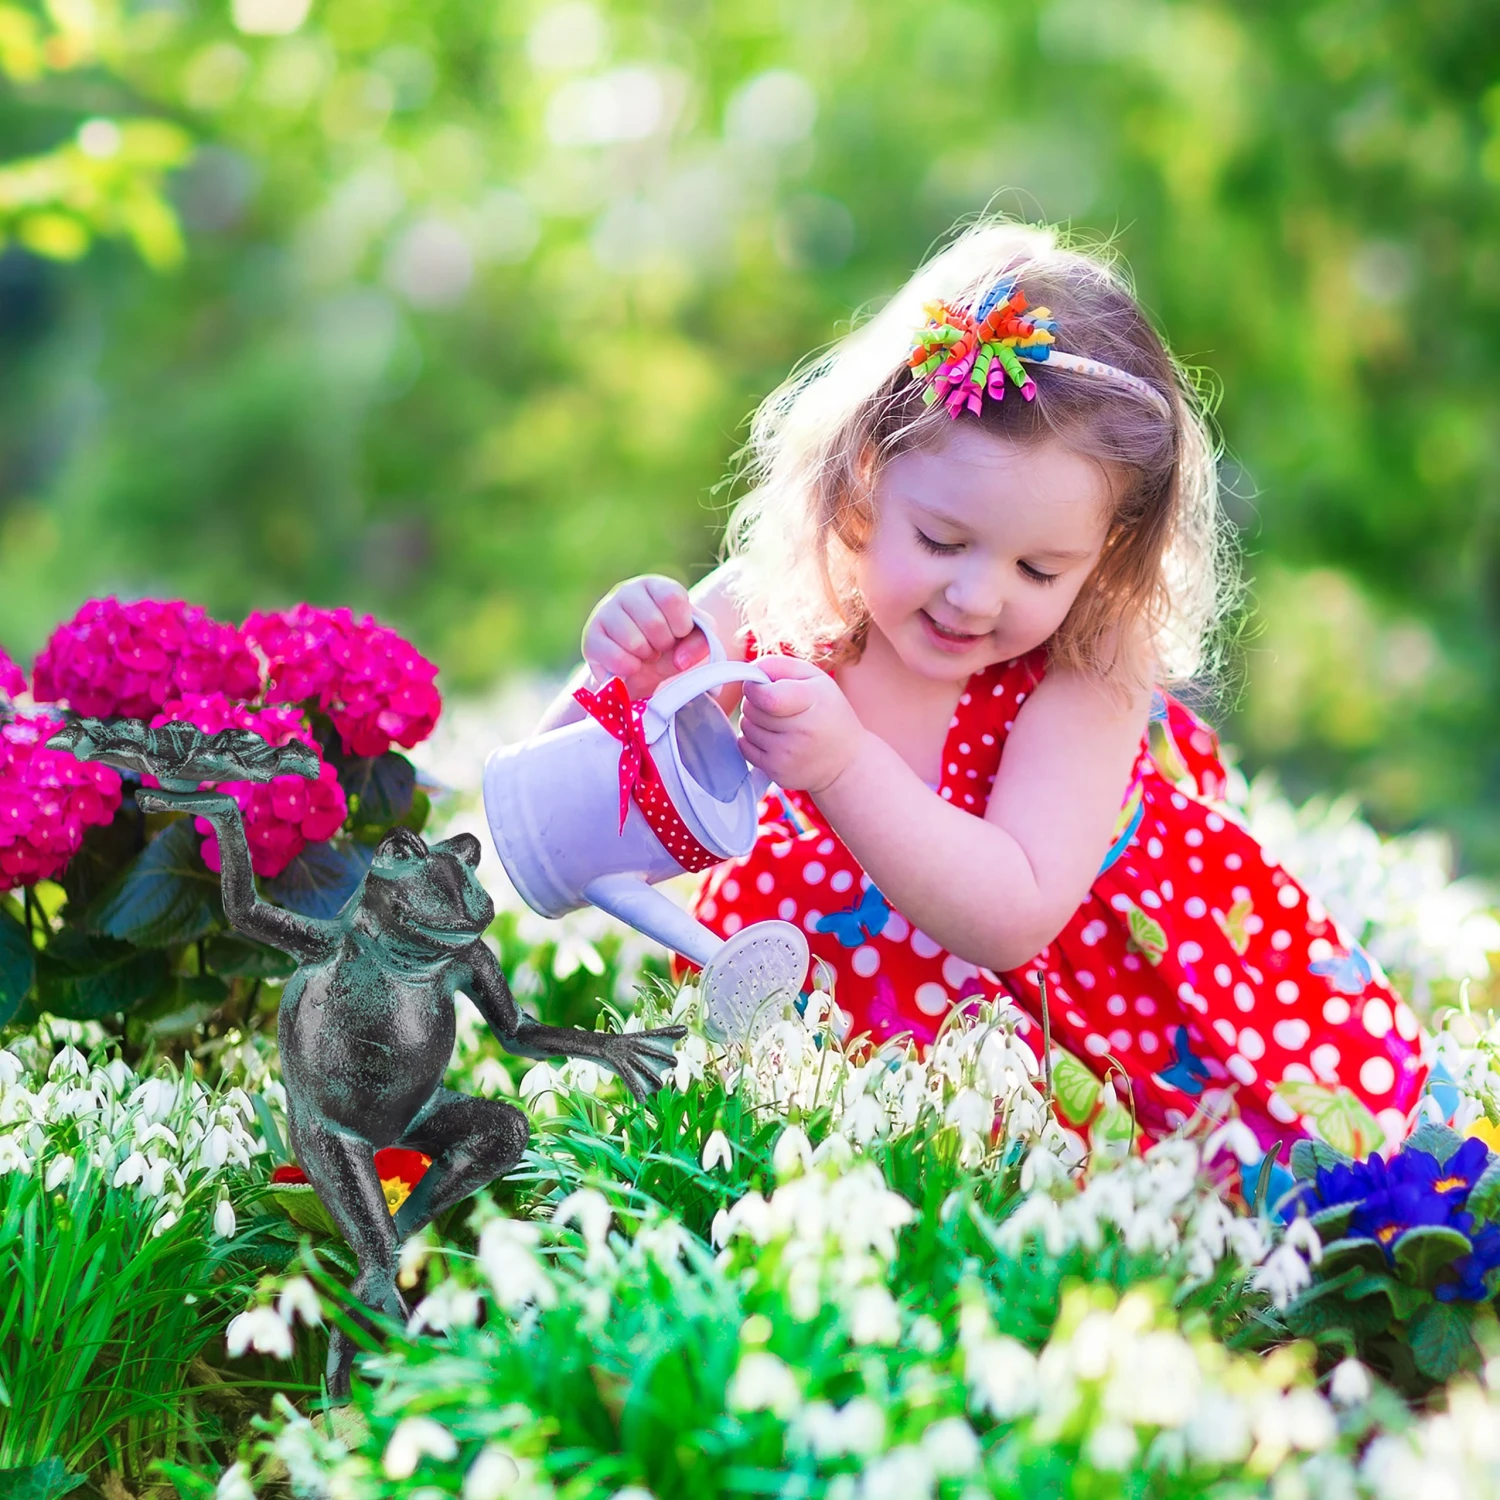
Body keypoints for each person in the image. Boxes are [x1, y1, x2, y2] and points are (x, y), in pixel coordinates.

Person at [535, 219, 1426, 1156]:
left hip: (1094, 1057)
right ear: (863, 481)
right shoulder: (778, 600)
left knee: (1282, 1215)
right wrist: (618, 689)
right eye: (942, 541)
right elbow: (559, 822)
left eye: (1040, 569)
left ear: (1110, 555)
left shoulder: (1090, 660)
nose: (976, 596)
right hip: (826, 1080)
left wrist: (844, 768)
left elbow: (1012, 915)